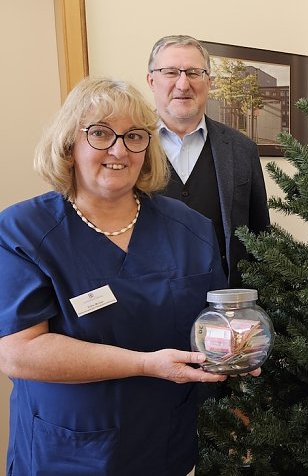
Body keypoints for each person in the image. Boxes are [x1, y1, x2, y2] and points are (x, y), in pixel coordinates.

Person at [0, 76, 233, 476]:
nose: (119, 150)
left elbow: (215, 321)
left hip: (164, 442)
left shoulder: (190, 228)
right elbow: (18, 353)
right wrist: (146, 364)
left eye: (135, 136)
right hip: (69, 450)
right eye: (100, 134)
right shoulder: (23, 231)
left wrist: (238, 351)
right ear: (69, 145)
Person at [147, 34, 270, 288]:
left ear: (209, 82)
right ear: (151, 81)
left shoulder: (242, 149)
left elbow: (260, 235)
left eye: (194, 73)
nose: (183, 84)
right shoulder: (127, 147)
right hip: (149, 298)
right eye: (170, 72)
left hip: (224, 300)